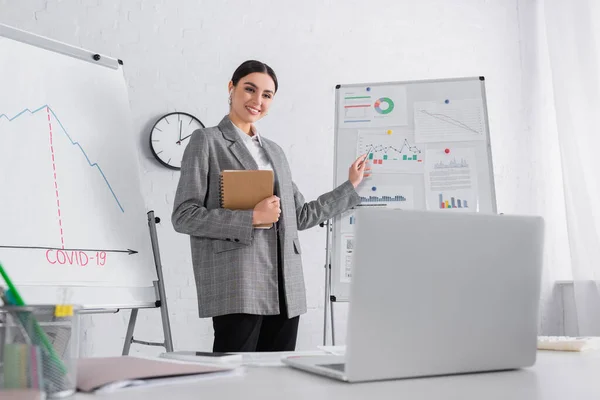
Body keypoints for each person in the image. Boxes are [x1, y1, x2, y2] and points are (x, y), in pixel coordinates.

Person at [172, 60, 369, 352]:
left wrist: (350, 187)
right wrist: (251, 217)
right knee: (237, 380)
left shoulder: (274, 151)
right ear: (231, 88)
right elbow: (184, 216)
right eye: (250, 89)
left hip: (286, 285)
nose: (257, 100)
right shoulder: (207, 141)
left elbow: (301, 215)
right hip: (239, 281)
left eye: (267, 94)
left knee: (277, 379)